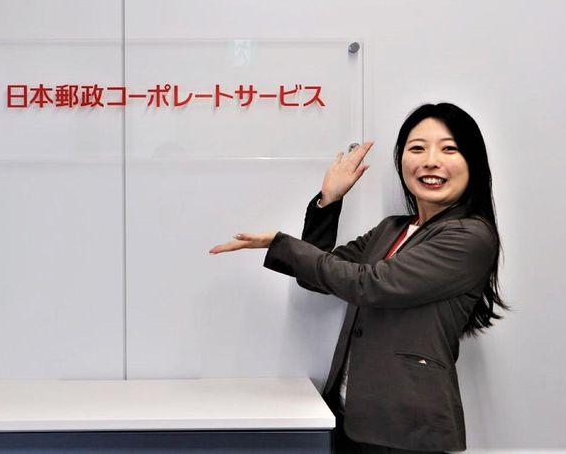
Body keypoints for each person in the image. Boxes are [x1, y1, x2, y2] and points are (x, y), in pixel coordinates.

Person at [209, 103, 508, 453]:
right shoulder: (392, 228)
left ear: (473, 162)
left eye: (449, 149)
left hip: (406, 428)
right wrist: (328, 201)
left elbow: (368, 284)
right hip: (352, 415)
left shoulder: (470, 236)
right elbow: (317, 275)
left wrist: (280, 243)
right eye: (417, 148)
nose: (430, 161)